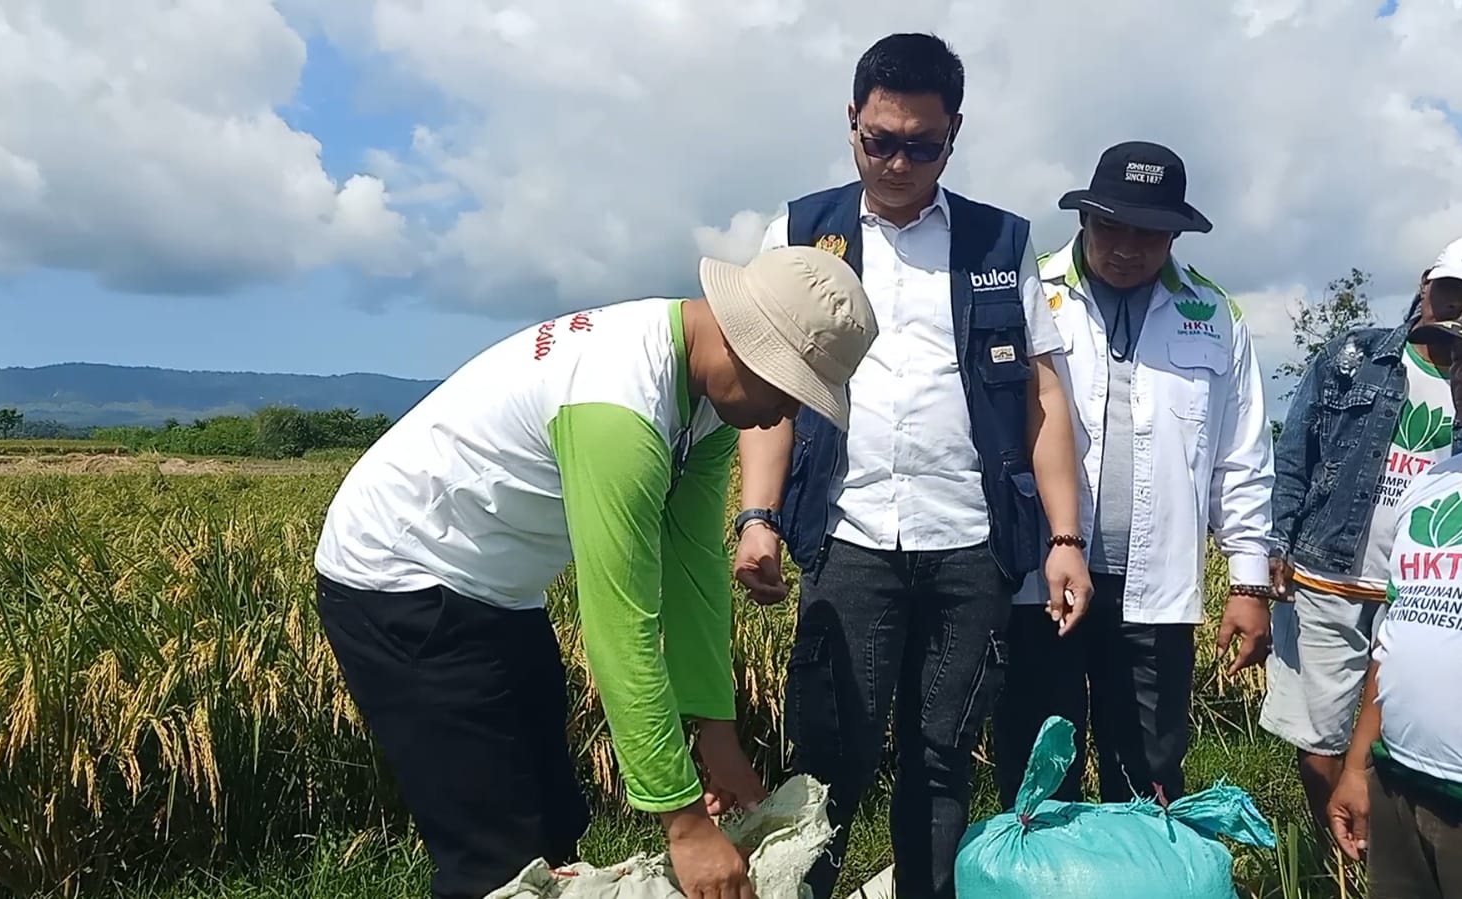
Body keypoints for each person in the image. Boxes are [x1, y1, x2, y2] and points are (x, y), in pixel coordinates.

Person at [311, 246, 878, 899]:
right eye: (785, 387)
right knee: (493, 860)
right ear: (742, 342)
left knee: (553, 824)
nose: (784, 413)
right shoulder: (619, 409)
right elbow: (620, 625)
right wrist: (686, 823)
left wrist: (715, 733)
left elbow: (693, 561)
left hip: (500, 592)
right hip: (398, 581)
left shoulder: (704, 397)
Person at [730, 32, 1091, 899]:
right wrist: (757, 516)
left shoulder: (1000, 241)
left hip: (970, 542)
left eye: (920, 145)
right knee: (827, 761)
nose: (896, 161)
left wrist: (1064, 538)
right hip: (848, 538)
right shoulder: (799, 228)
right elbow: (772, 389)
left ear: (952, 134)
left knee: (939, 761)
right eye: (878, 139)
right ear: (850, 120)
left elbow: (1043, 403)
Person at [992, 141, 1276, 807]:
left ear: (1174, 234)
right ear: (1083, 221)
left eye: (1147, 233)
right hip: (1042, 579)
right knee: (1037, 766)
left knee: (1146, 770)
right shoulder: (1026, 294)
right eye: (1110, 227)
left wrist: (1248, 581)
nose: (1126, 247)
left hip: (1157, 586)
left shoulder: (1214, 315)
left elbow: (1241, 455)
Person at [1262, 236, 1462, 834]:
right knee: (1318, 740)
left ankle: (1392, 851)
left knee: (1406, 739)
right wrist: (1277, 541)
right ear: (1425, 285)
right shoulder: (1355, 354)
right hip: (1328, 572)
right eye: (1447, 290)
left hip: (1431, 588)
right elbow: (1296, 447)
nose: (1454, 307)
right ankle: (1342, 856)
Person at [1328, 273, 1462, 898]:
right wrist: (1358, 766)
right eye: (1458, 355)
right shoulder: (1436, 480)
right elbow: (1396, 635)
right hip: (1402, 792)